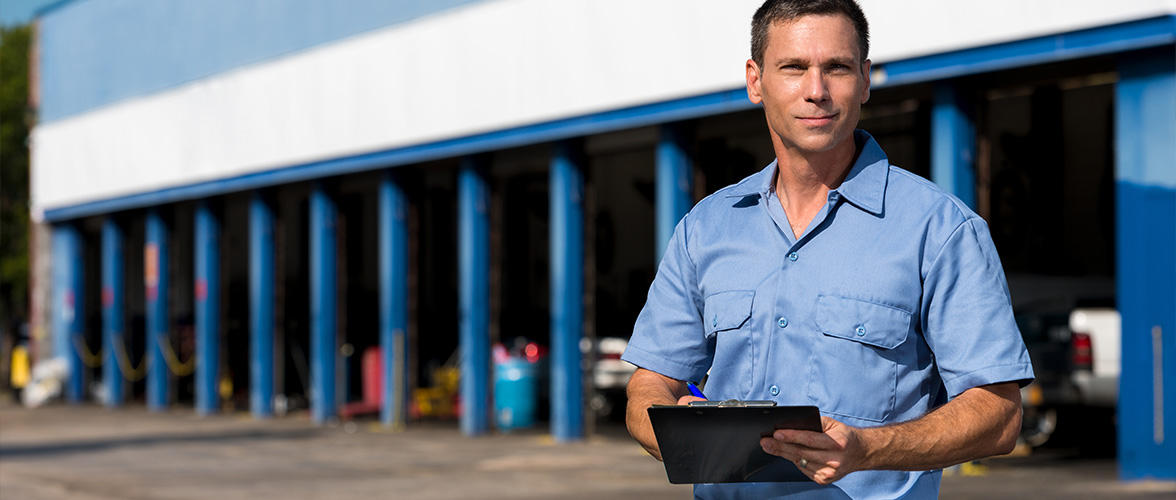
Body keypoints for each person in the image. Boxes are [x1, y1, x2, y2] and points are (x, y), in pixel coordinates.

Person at [620, 0, 1034, 498]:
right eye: (793, 68)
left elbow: (999, 413)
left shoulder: (940, 230)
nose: (816, 91)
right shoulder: (706, 228)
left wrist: (868, 449)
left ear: (864, 80)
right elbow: (649, 385)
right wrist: (675, 424)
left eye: (835, 68)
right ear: (756, 81)